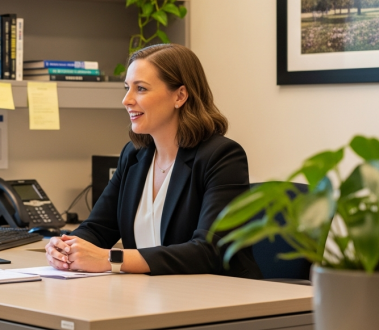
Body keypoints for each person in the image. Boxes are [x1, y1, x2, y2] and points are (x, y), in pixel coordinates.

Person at [46, 44, 261, 278]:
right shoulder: (134, 155)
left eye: (141, 89)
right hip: (150, 295)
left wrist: (111, 259)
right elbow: (98, 228)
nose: (126, 100)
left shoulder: (222, 156)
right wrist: (65, 247)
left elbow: (210, 251)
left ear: (180, 96)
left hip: (216, 298)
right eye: (127, 88)